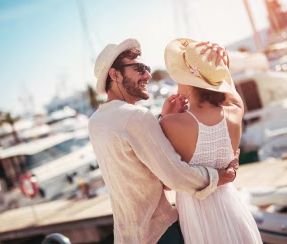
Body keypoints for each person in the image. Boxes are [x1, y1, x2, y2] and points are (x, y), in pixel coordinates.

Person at [88, 38, 239, 244]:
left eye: (147, 68)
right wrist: (221, 177)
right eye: (139, 68)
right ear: (114, 75)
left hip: (127, 236)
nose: (148, 75)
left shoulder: (96, 121)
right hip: (159, 232)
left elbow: (138, 166)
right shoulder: (136, 117)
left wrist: (162, 121)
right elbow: (175, 177)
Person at [161, 38, 262, 244]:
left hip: (198, 216)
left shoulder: (171, 123)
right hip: (232, 205)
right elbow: (230, 93)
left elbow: (166, 183)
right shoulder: (235, 110)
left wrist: (164, 117)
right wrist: (221, 67)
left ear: (188, 79)